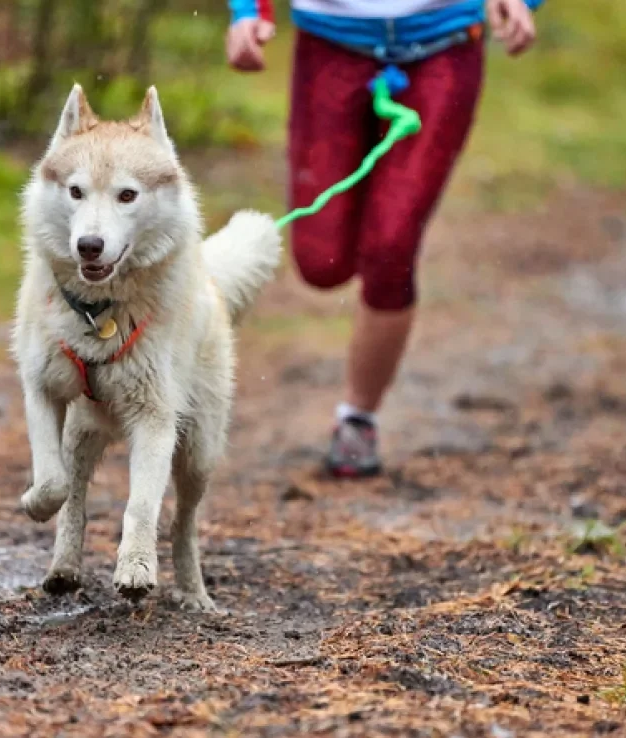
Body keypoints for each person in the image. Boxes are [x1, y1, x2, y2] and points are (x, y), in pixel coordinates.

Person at [226, 0, 540, 478]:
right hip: (330, 42)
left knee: (390, 247)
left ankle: (358, 418)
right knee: (321, 263)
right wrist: (247, 10)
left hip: (446, 42)